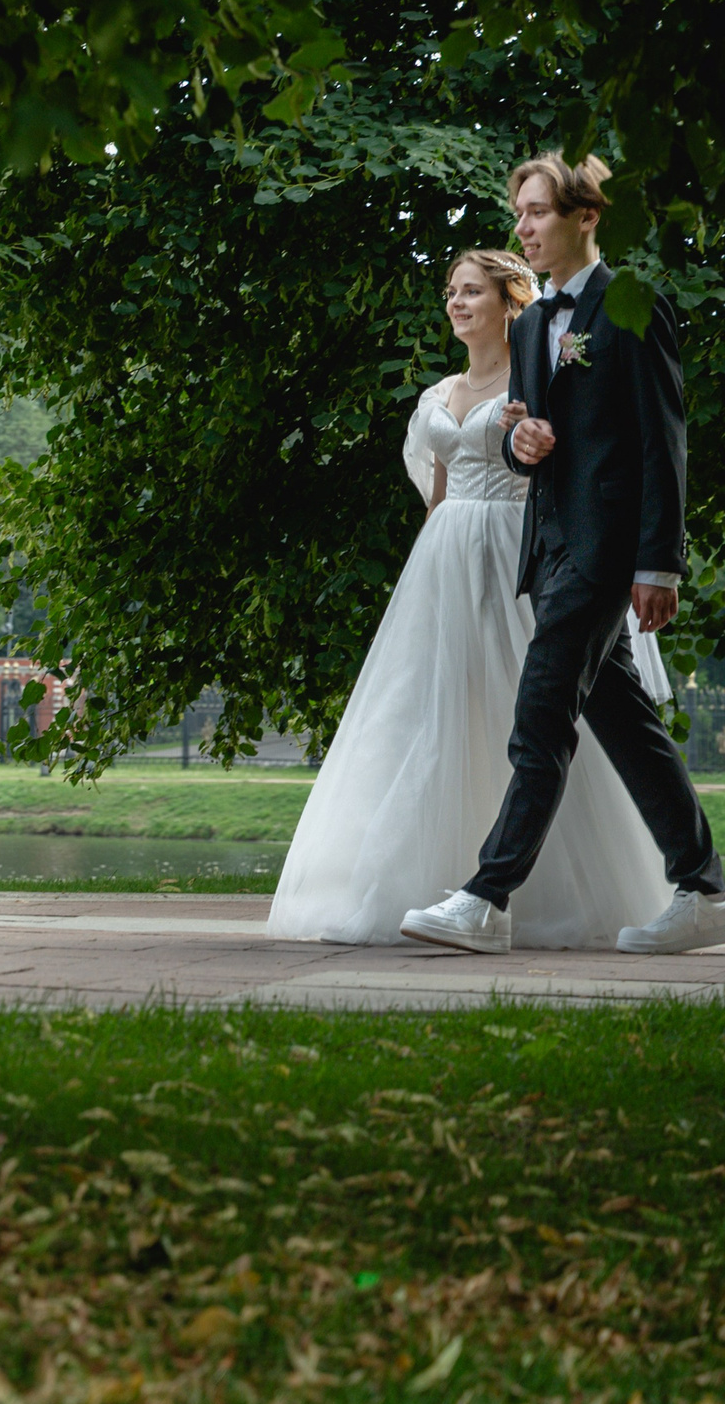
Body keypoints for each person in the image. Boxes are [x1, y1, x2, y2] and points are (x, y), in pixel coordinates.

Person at [270, 243, 671, 948]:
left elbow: (575, 466)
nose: (456, 303)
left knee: (531, 710)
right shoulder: (437, 395)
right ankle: (411, 882)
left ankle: (538, 893)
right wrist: (426, 567)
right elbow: (439, 491)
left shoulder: (540, 379)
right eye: (451, 292)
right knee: (424, 713)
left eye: (471, 292)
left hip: (516, 551)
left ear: (508, 302)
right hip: (444, 559)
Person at [397, 152, 724, 954]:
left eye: (538, 211)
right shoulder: (536, 322)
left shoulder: (631, 306)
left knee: (540, 713)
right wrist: (522, 442)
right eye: (519, 214)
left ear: (586, 217)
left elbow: (663, 440)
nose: (524, 228)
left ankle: (487, 897)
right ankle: (705, 887)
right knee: (624, 721)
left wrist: (659, 564)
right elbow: (527, 450)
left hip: (607, 550)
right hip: (547, 549)